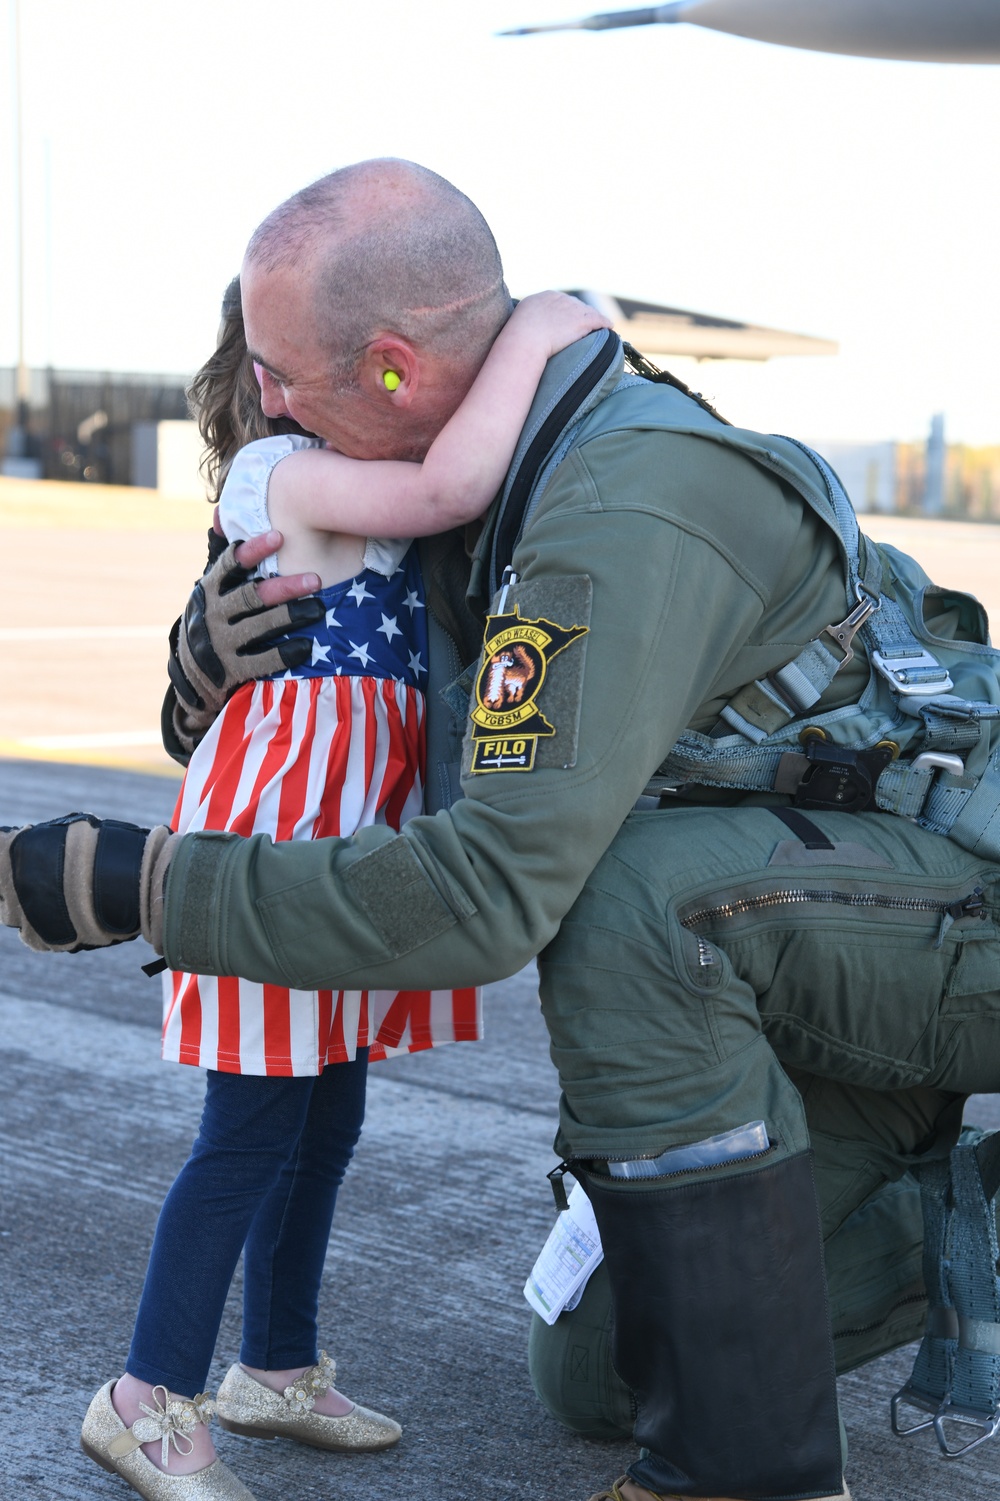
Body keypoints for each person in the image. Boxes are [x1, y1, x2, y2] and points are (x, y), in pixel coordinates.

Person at [5, 158, 1000, 1501]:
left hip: (944, 903)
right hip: (816, 915)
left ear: (402, 370)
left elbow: (490, 895)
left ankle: (738, 1476)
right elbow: (338, 727)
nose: (262, 401)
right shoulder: (465, 492)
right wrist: (208, 673)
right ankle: (958, 1210)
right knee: (591, 1374)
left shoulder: (607, 503)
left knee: (631, 903)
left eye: (290, 375)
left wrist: (138, 882)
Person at [70, 270, 612, 1501]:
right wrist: (537, 327)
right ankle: (143, 1396)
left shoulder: (332, 466)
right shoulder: (282, 469)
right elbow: (449, 488)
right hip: (279, 835)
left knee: (325, 1123)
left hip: (348, 834)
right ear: (276, 372)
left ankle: (273, 1367)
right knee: (250, 1132)